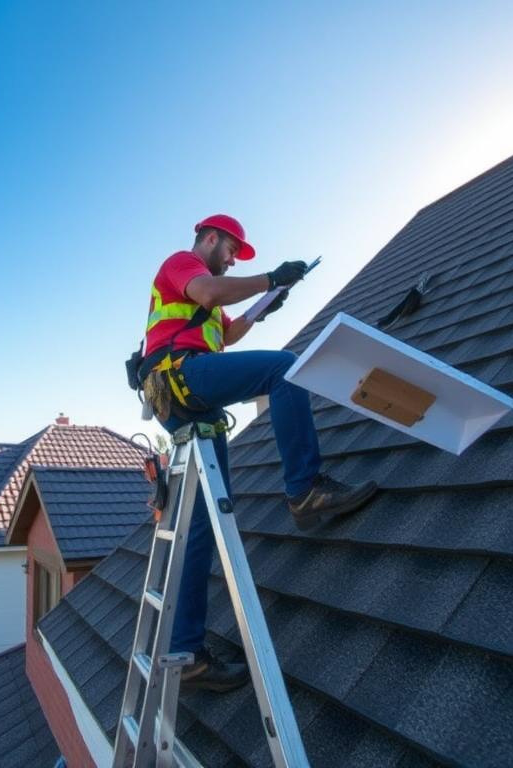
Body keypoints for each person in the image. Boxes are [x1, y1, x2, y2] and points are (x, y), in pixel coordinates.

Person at [138, 214, 378, 692]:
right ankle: (304, 490)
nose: (231, 260)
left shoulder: (201, 290)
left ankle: (186, 655)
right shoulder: (181, 265)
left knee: (205, 523)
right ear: (210, 238)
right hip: (180, 376)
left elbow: (225, 335)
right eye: (230, 250)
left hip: (187, 397)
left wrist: (262, 308)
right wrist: (270, 277)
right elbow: (208, 293)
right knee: (284, 369)